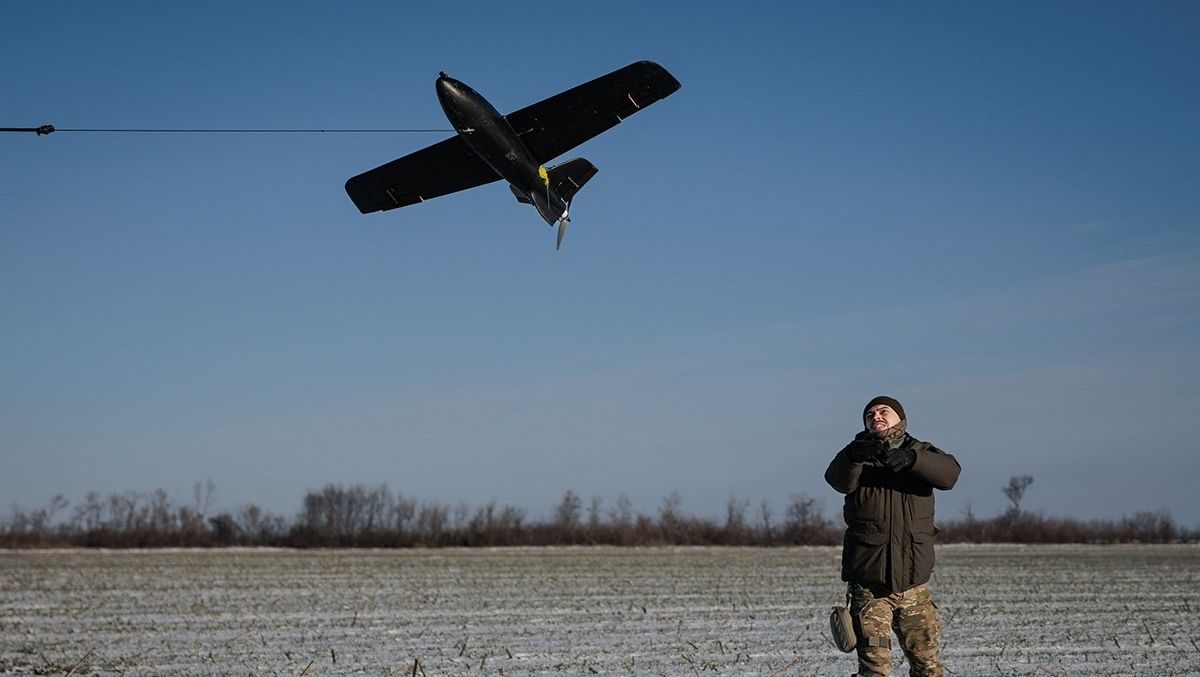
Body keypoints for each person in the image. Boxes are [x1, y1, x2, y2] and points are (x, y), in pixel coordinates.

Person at [824, 396, 961, 677]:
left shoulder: (920, 451)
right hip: (869, 588)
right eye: (869, 414)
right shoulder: (856, 456)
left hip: (915, 585)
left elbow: (949, 474)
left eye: (884, 411)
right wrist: (854, 456)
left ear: (900, 418)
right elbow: (837, 480)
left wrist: (912, 461)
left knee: (928, 669)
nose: (876, 416)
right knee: (874, 671)